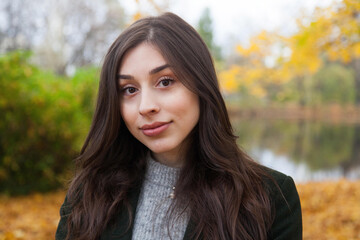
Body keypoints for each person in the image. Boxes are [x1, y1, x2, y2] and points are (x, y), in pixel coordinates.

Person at [56, 12, 302, 240]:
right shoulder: (88, 192)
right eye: (129, 90)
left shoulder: (271, 198)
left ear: (201, 85)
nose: (146, 106)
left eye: (165, 82)